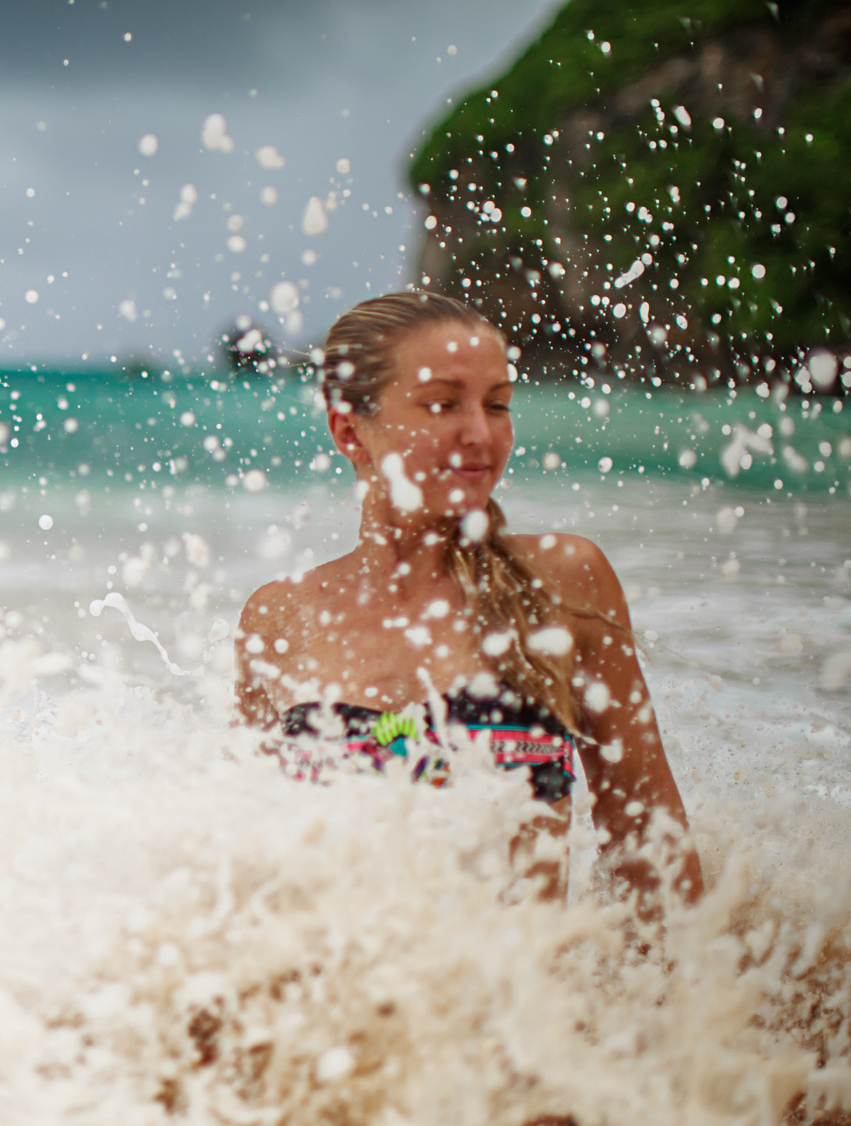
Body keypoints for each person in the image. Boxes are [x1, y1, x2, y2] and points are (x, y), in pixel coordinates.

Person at [235, 291, 703, 911]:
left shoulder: (564, 585)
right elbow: (248, 869)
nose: (481, 434)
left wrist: (668, 1002)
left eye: (498, 405)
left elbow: (651, 847)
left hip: (519, 998)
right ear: (350, 429)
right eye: (442, 405)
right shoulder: (280, 616)